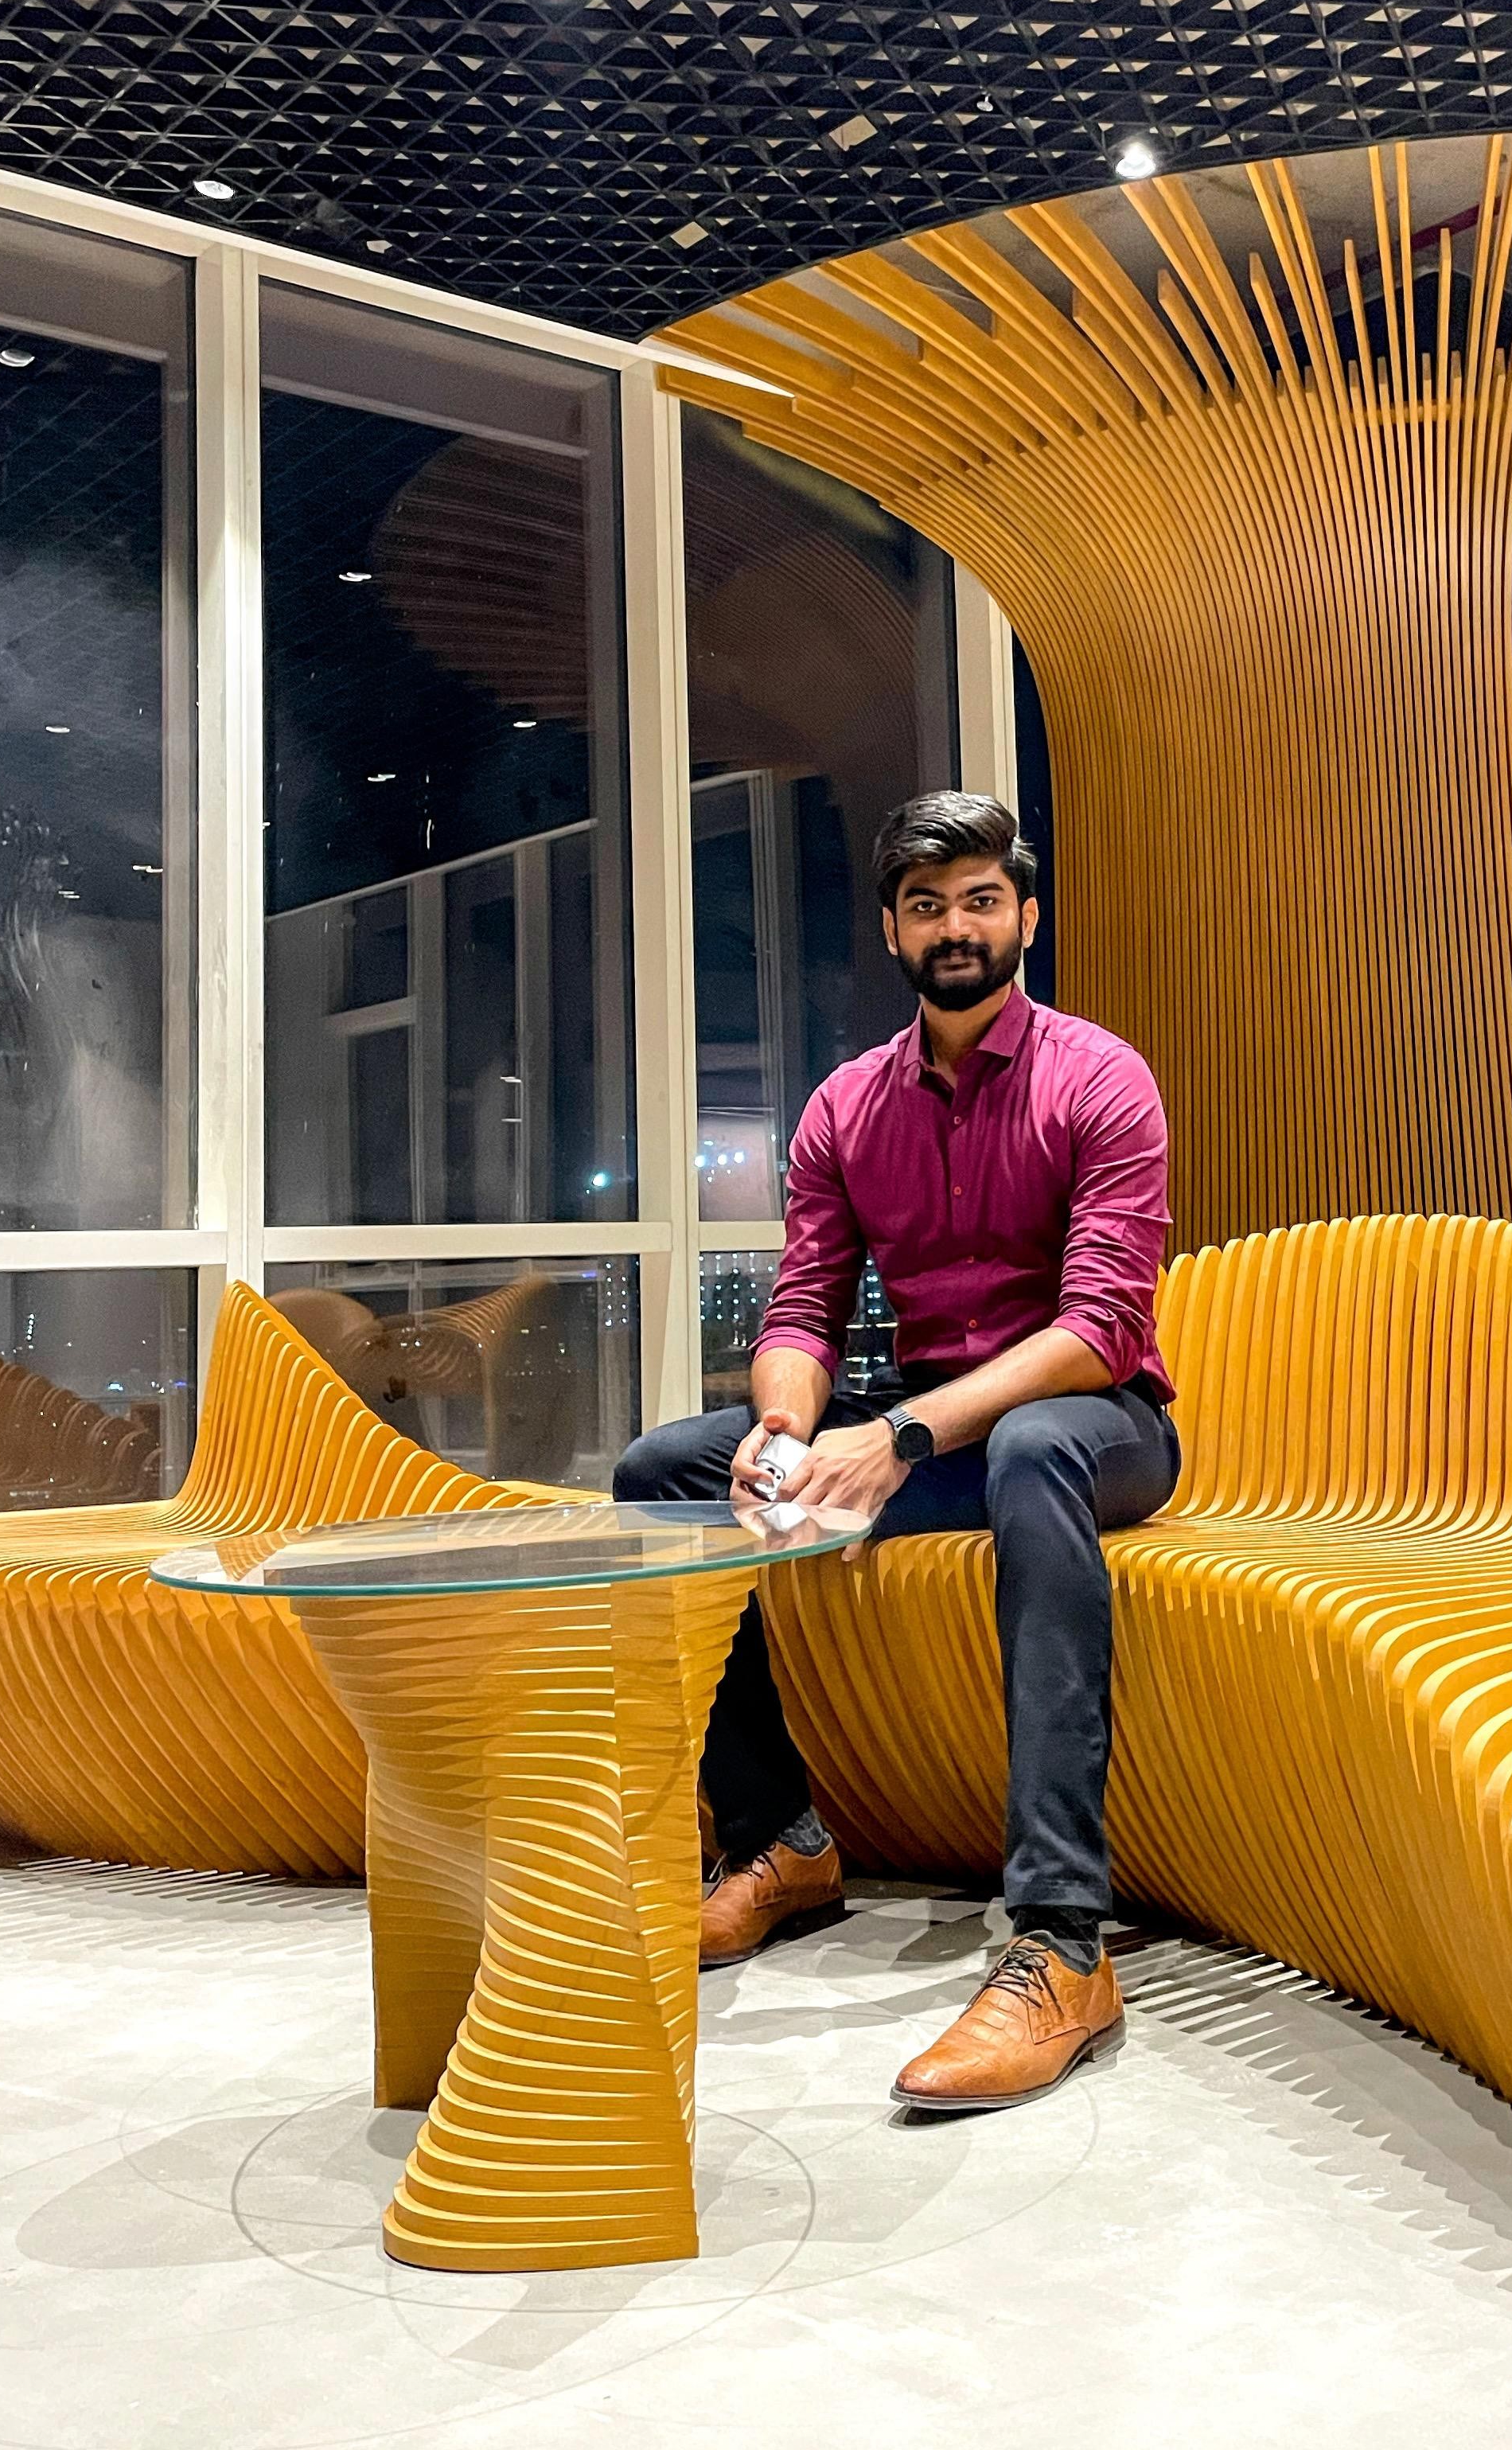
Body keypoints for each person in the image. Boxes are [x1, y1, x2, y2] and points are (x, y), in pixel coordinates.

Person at [614, 789, 1179, 2113]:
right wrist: (782, 1428)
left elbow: (1100, 1327)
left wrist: (900, 1433)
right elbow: (803, 1309)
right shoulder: (846, 1107)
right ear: (891, 930)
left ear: (1026, 915)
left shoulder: (1101, 1076)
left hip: (1102, 1428)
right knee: (663, 1469)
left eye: (982, 899)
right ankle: (781, 1838)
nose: (956, 926)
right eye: (928, 905)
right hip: (926, 1427)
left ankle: (1063, 1939)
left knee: (1034, 1447)